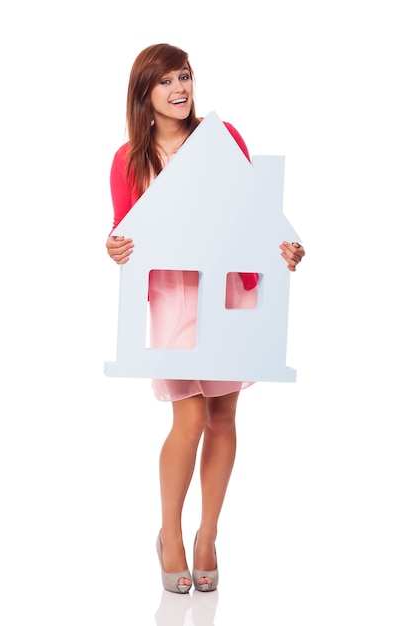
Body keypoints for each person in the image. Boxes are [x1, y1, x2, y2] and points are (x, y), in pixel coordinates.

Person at [106, 43, 305, 594]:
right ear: (145, 93)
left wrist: (284, 248)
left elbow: (256, 212)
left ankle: (207, 536)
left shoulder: (223, 138)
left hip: (226, 293)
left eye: (185, 77)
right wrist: (114, 247)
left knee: (222, 417)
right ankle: (169, 534)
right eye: (167, 81)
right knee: (187, 420)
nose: (180, 89)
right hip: (174, 298)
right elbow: (124, 233)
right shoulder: (130, 160)